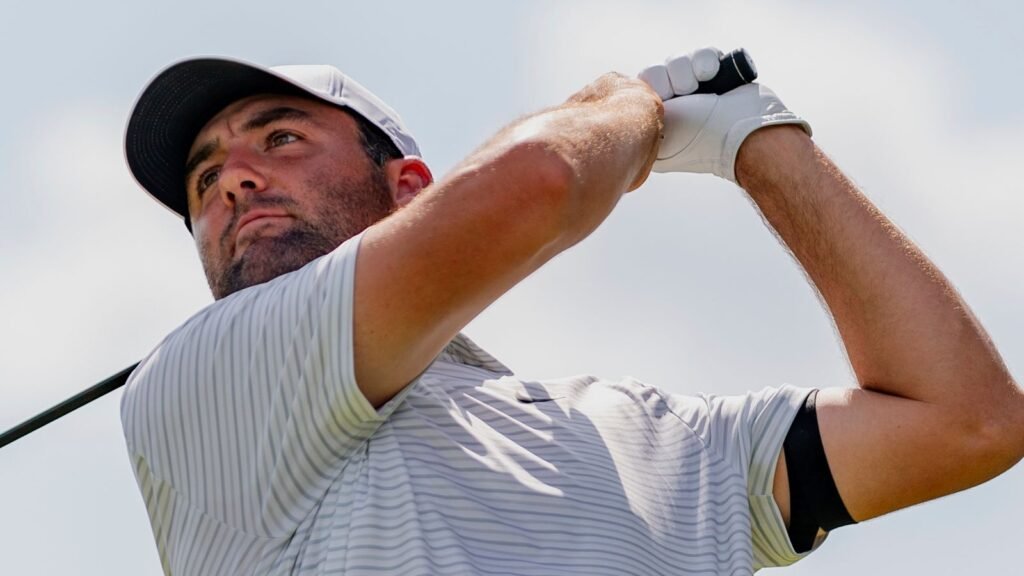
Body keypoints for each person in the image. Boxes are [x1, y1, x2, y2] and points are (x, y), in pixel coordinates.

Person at [120, 48, 1024, 575]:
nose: (233, 178)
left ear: (408, 190)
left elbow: (966, 420)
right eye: (206, 178)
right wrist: (624, 106)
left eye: (280, 138)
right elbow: (542, 184)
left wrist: (761, 141)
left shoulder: (637, 435)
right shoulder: (204, 378)